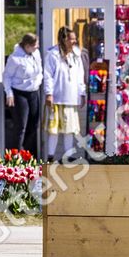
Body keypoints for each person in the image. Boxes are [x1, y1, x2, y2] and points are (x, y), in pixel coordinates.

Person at [43, 26, 86, 162]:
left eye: (75, 39)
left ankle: (68, 157)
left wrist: (82, 93)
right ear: (63, 39)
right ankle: (50, 157)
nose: (74, 41)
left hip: (71, 98)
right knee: (53, 130)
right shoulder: (53, 54)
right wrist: (49, 93)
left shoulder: (76, 55)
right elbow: (48, 75)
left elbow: (80, 76)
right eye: (71, 39)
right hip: (56, 98)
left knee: (69, 129)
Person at [1, 32, 42, 159]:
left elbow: (39, 70)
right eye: (35, 45)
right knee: (21, 125)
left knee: (33, 124)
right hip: (19, 93)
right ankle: (14, 154)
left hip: (33, 92)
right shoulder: (15, 58)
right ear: (27, 45)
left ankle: (26, 152)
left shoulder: (35, 54)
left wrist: (38, 81)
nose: (37, 47)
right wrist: (9, 94)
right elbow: (6, 76)